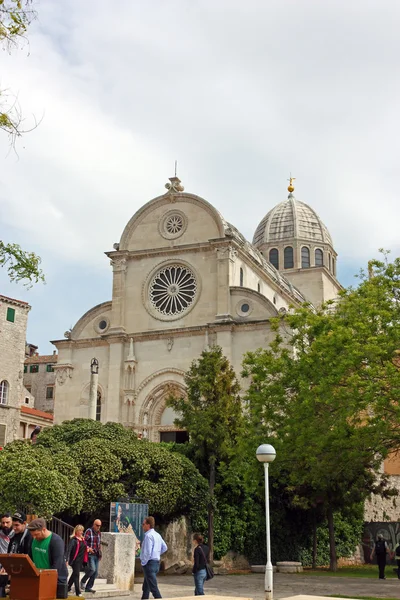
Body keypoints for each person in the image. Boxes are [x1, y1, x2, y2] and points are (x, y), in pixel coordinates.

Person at [27, 518, 68, 585]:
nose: (34, 537)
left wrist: (47, 579)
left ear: (44, 529)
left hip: (55, 580)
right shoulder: (33, 540)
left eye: (37, 534)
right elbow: (29, 558)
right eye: (32, 535)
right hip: (39, 577)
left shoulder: (56, 541)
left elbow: (57, 564)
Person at [140, 516, 167, 600]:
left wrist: (144, 562)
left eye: (143, 524)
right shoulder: (157, 535)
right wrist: (157, 553)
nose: (142, 526)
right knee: (146, 586)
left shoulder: (148, 536)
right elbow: (165, 547)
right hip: (156, 563)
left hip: (149, 563)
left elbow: (147, 552)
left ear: (148, 525)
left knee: (153, 588)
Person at [80, 519, 102, 594]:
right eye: (97, 525)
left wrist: (100, 552)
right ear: (94, 524)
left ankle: (88, 587)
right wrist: (88, 548)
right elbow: (84, 542)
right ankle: (83, 581)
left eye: (99, 526)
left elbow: (99, 544)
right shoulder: (89, 531)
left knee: (95, 573)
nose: (98, 527)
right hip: (90, 554)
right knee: (92, 569)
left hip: (96, 554)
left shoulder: (99, 533)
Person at [67, 526, 87, 597]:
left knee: (74, 574)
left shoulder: (82, 540)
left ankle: (67, 587)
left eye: (82, 531)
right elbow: (69, 550)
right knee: (77, 575)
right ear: (76, 531)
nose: (81, 532)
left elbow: (84, 548)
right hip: (75, 560)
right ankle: (77, 592)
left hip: (81, 560)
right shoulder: (73, 540)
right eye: (80, 531)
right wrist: (67, 560)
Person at [0, 514, 14, 598]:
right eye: (3, 523)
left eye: (7, 522)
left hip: (13, 563)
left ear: (12, 522)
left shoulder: (17, 534)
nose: (5, 525)